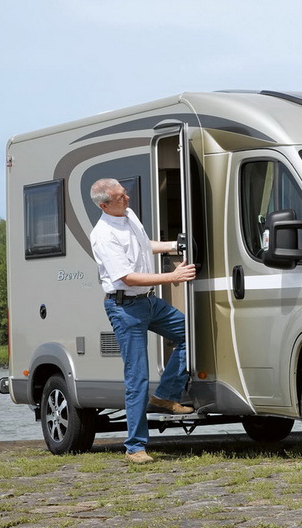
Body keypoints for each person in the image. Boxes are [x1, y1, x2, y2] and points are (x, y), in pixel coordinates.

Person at [89, 178, 196, 464]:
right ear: (104, 205)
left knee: (190, 333)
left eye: (125, 194)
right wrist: (172, 277)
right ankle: (135, 447)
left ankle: (165, 396)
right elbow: (127, 277)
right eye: (120, 197)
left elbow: (142, 245)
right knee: (137, 378)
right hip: (125, 308)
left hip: (149, 301)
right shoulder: (103, 235)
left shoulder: (128, 214)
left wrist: (174, 245)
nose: (127, 199)